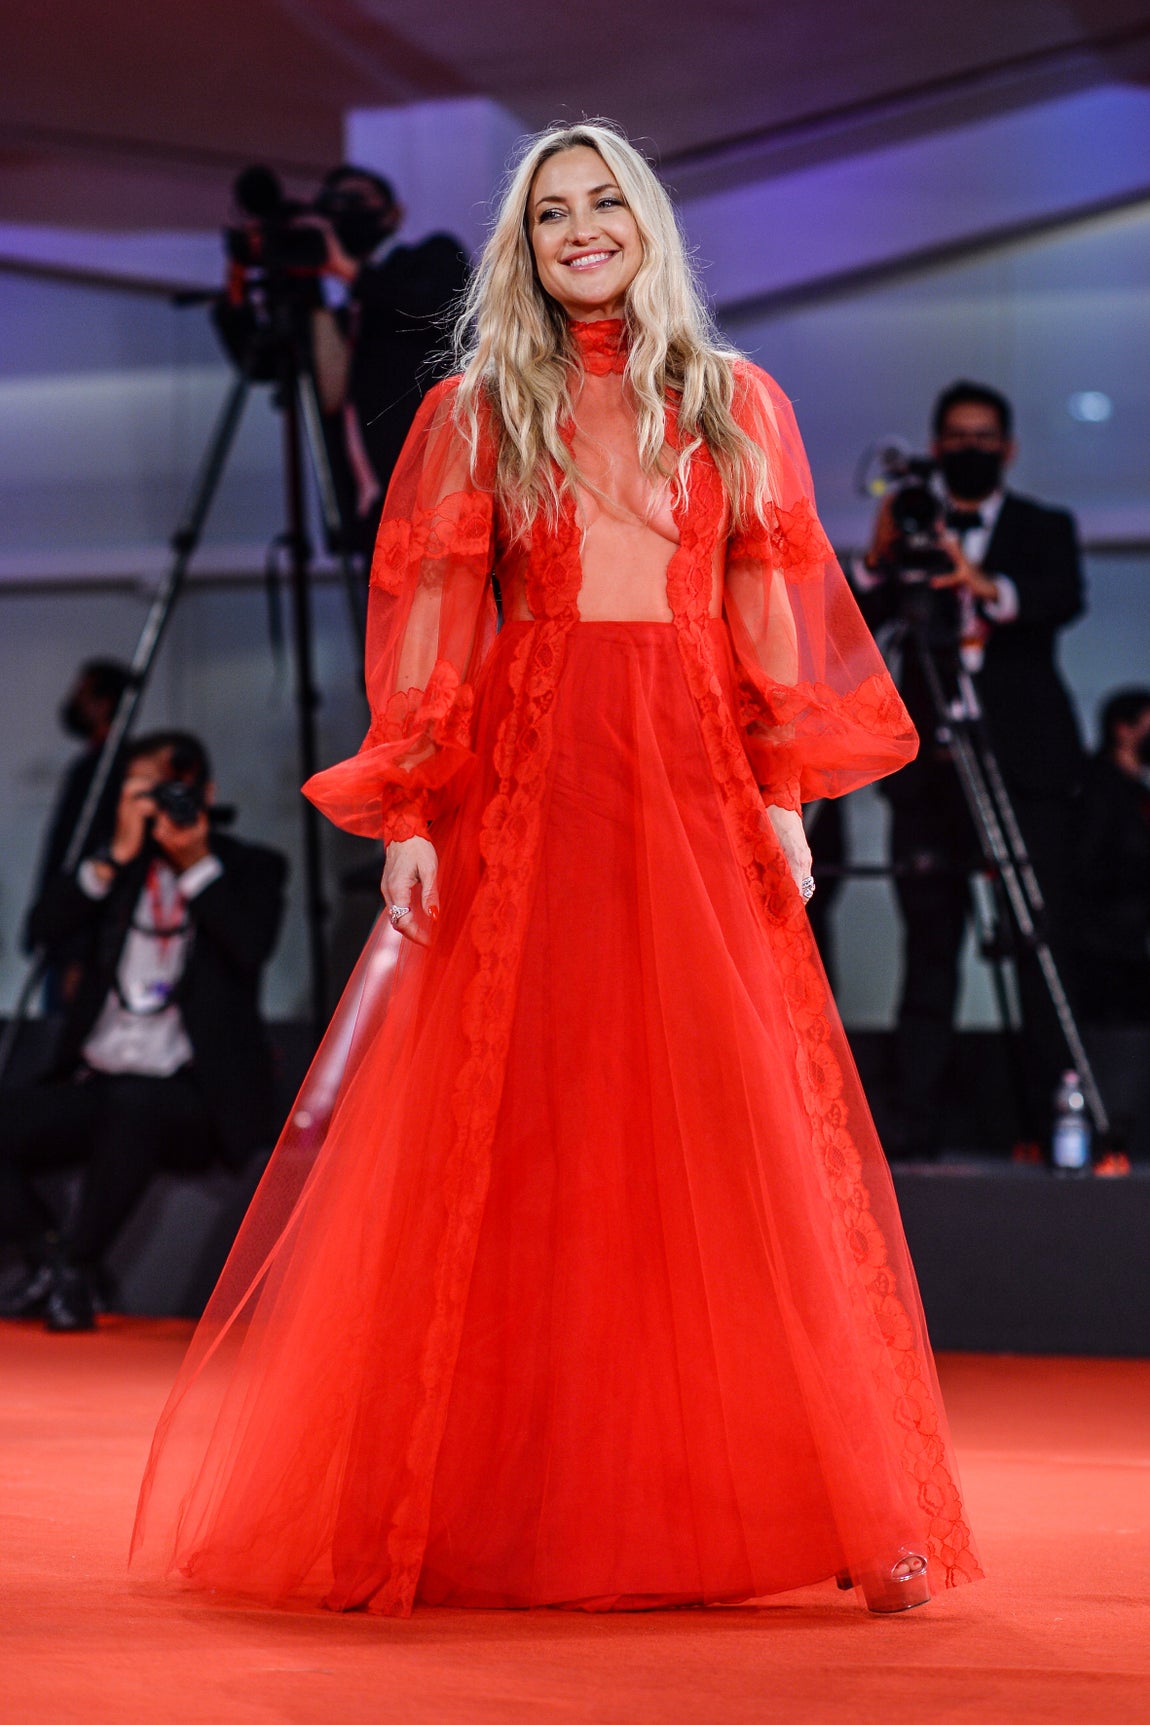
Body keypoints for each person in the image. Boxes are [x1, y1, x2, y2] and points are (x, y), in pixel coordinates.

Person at [132, 123, 980, 1618]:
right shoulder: (476, 408)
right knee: (515, 1123)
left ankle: (840, 1498)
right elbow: (430, 619)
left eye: (601, 203)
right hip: (531, 783)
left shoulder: (732, 401)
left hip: (694, 782)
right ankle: (461, 1501)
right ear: (522, 247)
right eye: (549, 214)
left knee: (738, 1125)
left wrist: (783, 787)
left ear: (645, 222)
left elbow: (763, 601)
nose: (578, 228)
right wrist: (408, 809)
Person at [855, 381, 1085, 1155]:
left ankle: (1057, 1121)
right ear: (934, 444)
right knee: (929, 944)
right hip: (929, 776)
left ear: (1009, 448)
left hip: (1026, 768)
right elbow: (856, 621)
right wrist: (886, 556)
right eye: (955, 436)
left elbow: (1061, 599)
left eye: (984, 436)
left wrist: (984, 584)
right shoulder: (912, 530)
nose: (970, 448)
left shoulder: (1043, 528)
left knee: (1038, 938)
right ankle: (913, 1131)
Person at [0, 732, 287, 1332]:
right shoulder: (117, 868)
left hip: (190, 1095)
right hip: (97, 1078)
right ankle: (59, 1264)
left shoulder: (252, 869)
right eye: (142, 792)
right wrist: (112, 858)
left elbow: (250, 948)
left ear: (204, 793)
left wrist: (196, 865)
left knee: (137, 1103)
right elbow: (44, 927)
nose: (160, 805)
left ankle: (70, 1266)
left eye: (171, 790)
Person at [309, 165, 470, 554]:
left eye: (357, 199)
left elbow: (431, 307)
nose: (344, 211)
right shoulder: (343, 311)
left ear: (393, 213)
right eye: (334, 204)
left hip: (435, 495)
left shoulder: (431, 256)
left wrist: (347, 271)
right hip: (371, 505)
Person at [1070, 689, 1150, 1024]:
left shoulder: (1135, 794)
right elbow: (1085, 864)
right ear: (1123, 729)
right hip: (1102, 954)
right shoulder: (1097, 789)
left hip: (1129, 945)